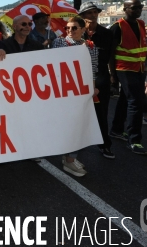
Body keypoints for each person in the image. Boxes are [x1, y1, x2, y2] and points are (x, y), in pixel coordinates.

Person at [109, 0, 147, 155]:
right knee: (136, 102)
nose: (138, 10)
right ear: (125, 9)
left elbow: (145, 49)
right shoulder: (117, 27)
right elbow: (111, 54)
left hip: (139, 69)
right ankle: (134, 140)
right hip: (124, 69)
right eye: (134, 8)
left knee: (125, 99)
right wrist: (113, 75)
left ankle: (117, 130)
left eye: (140, 7)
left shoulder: (140, 24)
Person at [52, 16, 98, 177]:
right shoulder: (60, 42)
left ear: (83, 29)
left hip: (82, 90)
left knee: (79, 123)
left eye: (74, 28)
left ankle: (70, 158)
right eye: (67, 28)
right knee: (68, 124)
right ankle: (69, 159)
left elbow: (93, 68)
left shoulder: (91, 46)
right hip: (64, 90)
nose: (69, 31)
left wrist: (92, 88)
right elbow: (56, 62)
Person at [80, 2, 115, 158]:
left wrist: (113, 75)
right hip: (78, 79)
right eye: (89, 13)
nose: (93, 15)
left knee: (101, 113)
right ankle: (75, 146)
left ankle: (104, 145)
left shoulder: (107, 34)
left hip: (100, 78)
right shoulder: (76, 33)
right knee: (78, 114)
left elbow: (111, 57)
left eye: (95, 12)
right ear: (82, 16)